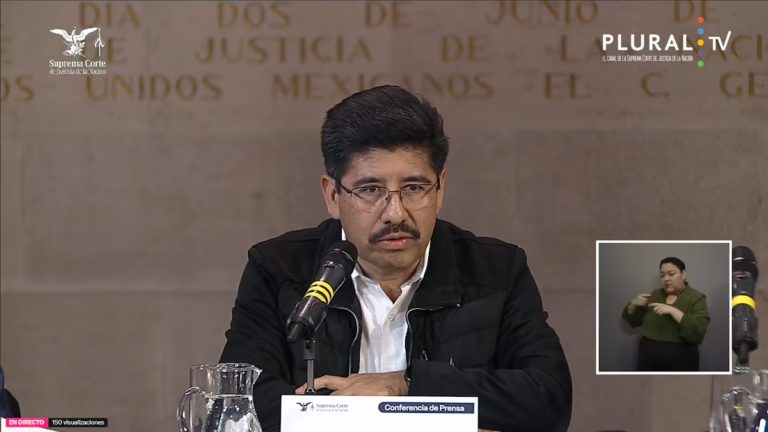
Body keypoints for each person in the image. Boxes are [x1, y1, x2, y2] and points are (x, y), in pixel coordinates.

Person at [219, 85, 572, 432]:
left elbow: (548, 398)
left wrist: (404, 384)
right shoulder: (278, 268)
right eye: (370, 190)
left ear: (440, 189)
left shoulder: (496, 270)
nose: (395, 213)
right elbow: (240, 400)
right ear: (332, 196)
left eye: (414, 188)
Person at [622, 257, 710, 371]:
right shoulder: (655, 295)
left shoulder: (697, 298)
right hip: (648, 358)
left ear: (683, 274)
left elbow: (697, 333)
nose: (666, 279)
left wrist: (673, 311)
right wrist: (633, 304)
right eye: (662, 275)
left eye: (671, 274)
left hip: (682, 359)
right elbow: (634, 321)